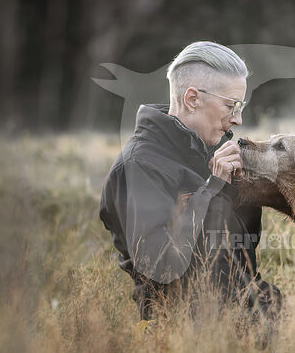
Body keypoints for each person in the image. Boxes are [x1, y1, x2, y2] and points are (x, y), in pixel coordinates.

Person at [99, 41, 281, 323]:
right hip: (186, 330)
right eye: (231, 105)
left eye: (241, 106)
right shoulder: (139, 167)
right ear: (192, 99)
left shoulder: (214, 153)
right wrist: (215, 189)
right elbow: (161, 270)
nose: (239, 119)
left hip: (252, 311)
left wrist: (251, 187)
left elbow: (242, 257)